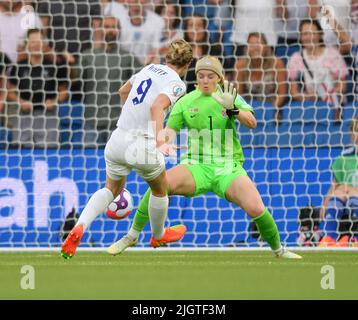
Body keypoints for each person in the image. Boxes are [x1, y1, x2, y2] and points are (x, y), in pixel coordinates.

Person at [107, 55, 302, 259]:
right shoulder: (185, 102)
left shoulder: (229, 95)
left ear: (219, 78)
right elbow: (168, 132)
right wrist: (163, 142)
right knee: (159, 185)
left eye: (210, 76)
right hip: (196, 166)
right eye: (201, 76)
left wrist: (232, 109)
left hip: (227, 167)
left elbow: (252, 122)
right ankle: (132, 235)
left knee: (256, 207)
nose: (205, 80)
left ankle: (279, 250)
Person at [61, 38, 193, 259]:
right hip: (141, 144)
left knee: (110, 189)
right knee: (161, 189)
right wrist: (161, 140)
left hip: (118, 138)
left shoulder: (149, 68)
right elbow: (157, 105)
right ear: (187, 65)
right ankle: (158, 234)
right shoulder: (177, 83)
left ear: (166, 57)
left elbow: (123, 92)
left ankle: (79, 227)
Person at [81, 15, 142, 147]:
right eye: (106, 27)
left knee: (116, 165)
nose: (110, 30)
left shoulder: (128, 58)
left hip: (118, 123)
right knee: (89, 163)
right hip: (92, 121)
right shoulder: (88, 55)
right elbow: (73, 80)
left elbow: (141, 83)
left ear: (119, 31)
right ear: (100, 30)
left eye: (113, 27)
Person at [6, 28, 69, 148]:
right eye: (32, 41)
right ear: (27, 44)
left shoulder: (55, 66)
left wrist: (54, 101)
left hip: (48, 115)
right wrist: (20, 101)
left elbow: (64, 92)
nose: (36, 45)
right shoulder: (18, 67)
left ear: (44, 44)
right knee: (21, 151)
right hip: (23, 115)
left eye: (39, 41)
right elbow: (10, 92)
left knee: (49, 150)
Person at [287, 19, 348, 120]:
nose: (309, 37)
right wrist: (307, 97)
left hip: (334, 108)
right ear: (300, 37)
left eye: (313, 33)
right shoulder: (295, 59)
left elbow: (343, 87)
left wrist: (325, 95)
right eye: (305, 34)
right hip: (309, 108)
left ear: (320, 35)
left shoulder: (333, 54)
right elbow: (294, 92)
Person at [320, 117, 358, 244]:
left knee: (351, 192)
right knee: (338, 192)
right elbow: (334, 185)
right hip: (346, 198)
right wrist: (324, 205)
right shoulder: (345, 156)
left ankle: (356, 239)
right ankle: (329, 239)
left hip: (354, 195)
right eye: (355, 130)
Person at [235, 32, 287, 122]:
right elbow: (239, 94)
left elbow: (282, 93)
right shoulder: (240, 65)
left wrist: (273, 110)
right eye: (251, 44)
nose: (255, 47)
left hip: (272, 109)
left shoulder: (277, 63)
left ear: (266, 46)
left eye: (258, 43)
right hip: (248, 110)